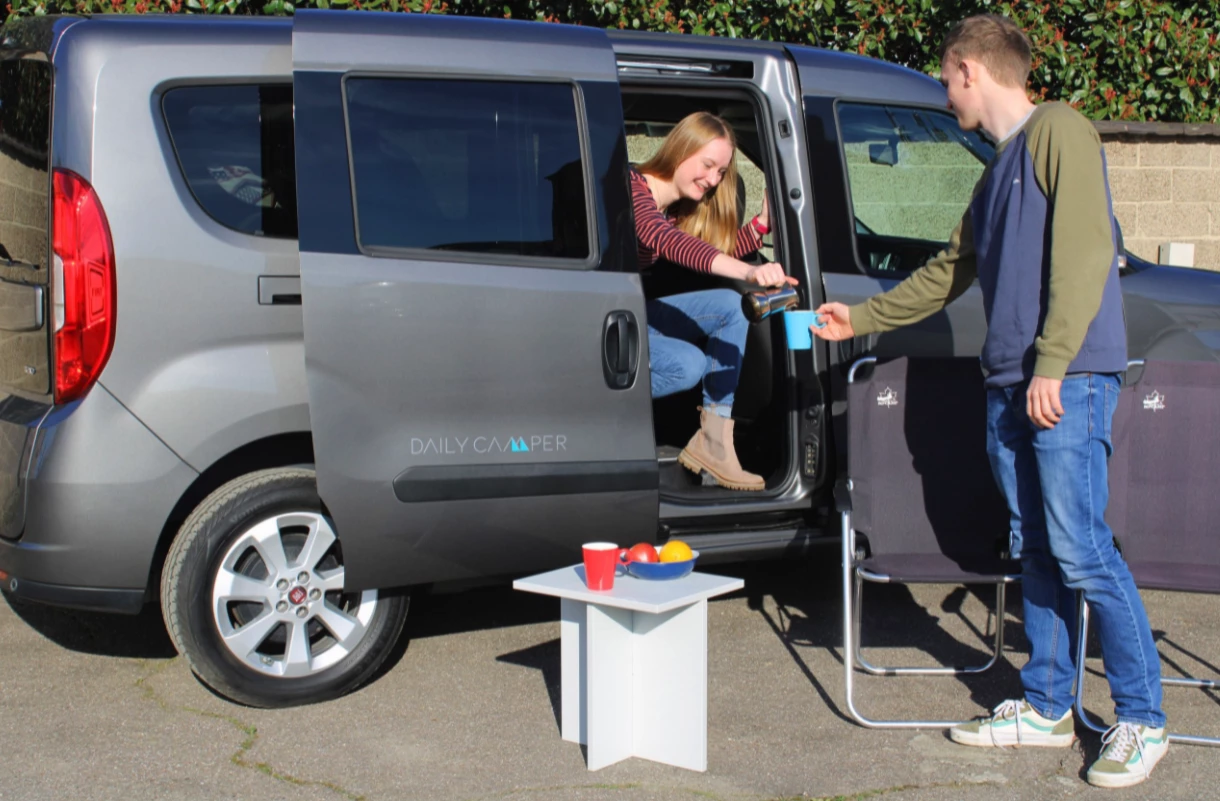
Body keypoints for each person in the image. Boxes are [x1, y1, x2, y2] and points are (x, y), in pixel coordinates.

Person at [812, 15, 1167, 789]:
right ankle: (1046, 706)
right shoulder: (996, 170)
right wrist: (859, 317)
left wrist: (1053, 363)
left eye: (945, 79)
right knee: (1035, 549)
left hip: (1061, 382)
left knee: (1083, 549)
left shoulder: (1060, 131)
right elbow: (948, 271)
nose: (946, 95)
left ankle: (1143, 717)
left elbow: (1081, 249)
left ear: (971, 69)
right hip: (1012, 383)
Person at [633, 111, 797, 492]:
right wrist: (751, 272)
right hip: (607, 321)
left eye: (721, 172)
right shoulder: (633, 190)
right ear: (681, 149)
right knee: (687, 364)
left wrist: (759, 226)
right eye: (708, 165)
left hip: (639, 314)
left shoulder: (673, 209)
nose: (712, 180)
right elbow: (671, 244)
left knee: (728, 306)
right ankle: (592, 409)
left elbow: (707, 253)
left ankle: (714, 442)